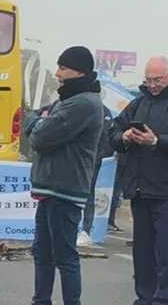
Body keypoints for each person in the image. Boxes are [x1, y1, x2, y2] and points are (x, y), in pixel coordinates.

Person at [109, 56, 168, 305]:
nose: (153, 85)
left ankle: (163, 299)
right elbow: (112, 132)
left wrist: (157, 141)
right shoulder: (137, 104)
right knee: (142, 252)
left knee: (164, 251)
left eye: (158, 80)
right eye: (148, 80)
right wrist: (125, 136)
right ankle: (144, 297)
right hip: (140, 189)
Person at [26, 46, 105, 305]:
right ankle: (41, 300)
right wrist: (40, 120)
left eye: (62, 68)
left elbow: (40, 136)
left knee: (64, 256)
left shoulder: (83, 103)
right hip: (49, 187)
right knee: (42, 252)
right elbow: (36, 119)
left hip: (65, 188)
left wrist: (40, 123)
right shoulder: (66, 100)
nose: (57, 73)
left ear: (79, 71)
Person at [78, 103, 115, 247]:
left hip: (91, 159)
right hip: (70, 160)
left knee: (88, 193)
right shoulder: (65, 104)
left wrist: (104, 154)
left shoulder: (101, 109)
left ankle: (85, 230)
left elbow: (106, 134)